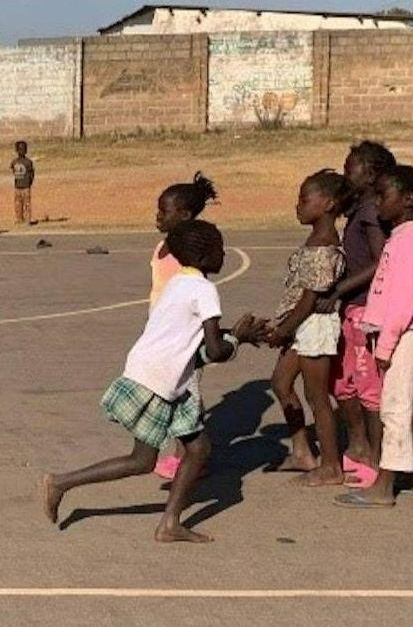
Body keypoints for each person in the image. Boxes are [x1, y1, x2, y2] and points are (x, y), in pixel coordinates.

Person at [42, 220, 264, 543]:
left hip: (161, 374)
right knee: (142, 460)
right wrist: (239, 339)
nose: (224, 253)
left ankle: (169, 523)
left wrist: (235, 336)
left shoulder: (177, 283)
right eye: (219, 247)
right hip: (160, 380)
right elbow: (214, 350)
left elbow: (190, 342)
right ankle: (60, 483)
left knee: (198, 448)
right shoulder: (205, 290)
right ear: (203, 257)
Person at [336, 165, 413, 508]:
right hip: (399, 331)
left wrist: (385, 345)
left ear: (408, 199)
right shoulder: (401, 235)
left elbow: (403, 299)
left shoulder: (411, 239)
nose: (377, 202)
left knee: (394, 407)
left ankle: (385, 484)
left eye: (384, 196)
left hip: (404, 332)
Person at [315, 141, 396, 485]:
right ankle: (358, 444)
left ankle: (377, 459)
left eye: (350, 169)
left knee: (368, 387)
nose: (346, 174)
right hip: (351, 309)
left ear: (371, 174)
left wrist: (339, 290)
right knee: (343, 381)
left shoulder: (371, 215)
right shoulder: (357, 210)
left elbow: (380, 263)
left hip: (364, 308)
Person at [265, 170, 352, 487]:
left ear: (328, 204)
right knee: (280, 383)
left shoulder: (324, 246)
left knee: (317, 396)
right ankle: (301, 449)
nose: (298, 206)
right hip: (300, 325)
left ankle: (331, 465)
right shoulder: (315, 239)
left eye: (304, 199)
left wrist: (284, 330)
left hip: (312, 326)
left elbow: (309, 300)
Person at [149, 173, 219, 479]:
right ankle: (185, 452)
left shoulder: (189, 256)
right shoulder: (162, 247)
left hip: (184, 338)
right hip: (162, 333)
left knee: (186, 394)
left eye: (164, 212)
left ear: (185, 216)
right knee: (173, 392)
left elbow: (198, 299)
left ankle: (189, 456)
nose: (158, 217)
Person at [10, 140, 36, 226]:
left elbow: (32, 173)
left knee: (27, 204)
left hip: (26, 187)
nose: (21, 151)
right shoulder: (14, 162)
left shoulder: (28, 162)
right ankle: (19, 219)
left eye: (23, 149)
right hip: (17, 187)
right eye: (20, 149)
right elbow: (13, 171)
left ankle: (27, 220)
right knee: (18, 204)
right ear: (16, 150)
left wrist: (29, 182)